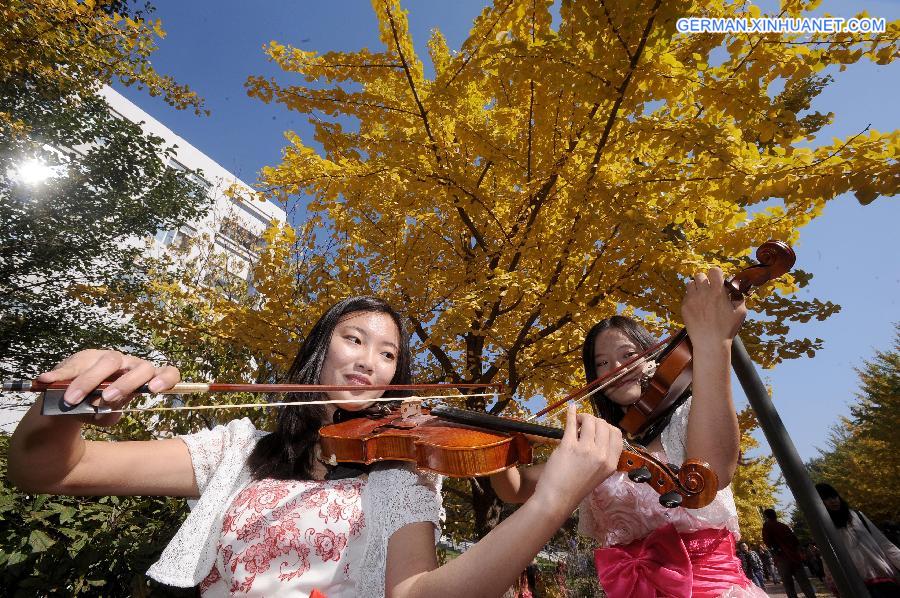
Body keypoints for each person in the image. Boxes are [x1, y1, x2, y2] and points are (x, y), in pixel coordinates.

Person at [9, 296, 624, 597]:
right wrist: (70, 403)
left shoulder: (400, 471)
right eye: (354, 340)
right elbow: (49, 469)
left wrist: (550, 506)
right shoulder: (241, 450)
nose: (369, 364)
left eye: (388, 355)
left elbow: (417, 595)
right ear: (319, 348)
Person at [491, 268, 768, 597]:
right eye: (602, 363)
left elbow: (712, 472)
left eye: (627, 355)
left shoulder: (688, 415)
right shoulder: (599, 443)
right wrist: (492, 446)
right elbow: (517, 488)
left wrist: (712, 342)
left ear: (653, 357)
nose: (616, 369)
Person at [815, 482, 900, 598]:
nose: (833, 500)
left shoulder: (857, 516)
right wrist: (835, 585)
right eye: (827, 498)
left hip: (884, 577)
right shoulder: (824, 528)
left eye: (834, 496)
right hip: (858, 584)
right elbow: (827, 559)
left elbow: (884, 543)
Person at [762, 508, 817, 598]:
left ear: (766, 517)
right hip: (794, 557)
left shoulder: (767, 527)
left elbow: (767, 542)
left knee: (788, 585)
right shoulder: (783, 526)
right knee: (804, 582)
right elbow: (795, 541)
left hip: (782, 558)